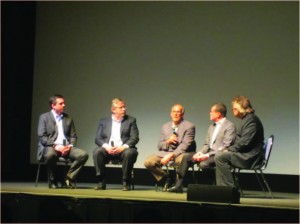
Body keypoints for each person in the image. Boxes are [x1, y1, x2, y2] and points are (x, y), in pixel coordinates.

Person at [167, 103, 236, 193]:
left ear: (218, 114)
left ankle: (218, 181)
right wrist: (200, 153)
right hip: (209, 153)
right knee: (187, 156)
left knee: (203, 164)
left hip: (219, 154)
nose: (209, 113)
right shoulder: (212, 126)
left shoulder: (230, 126)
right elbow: (207, 144)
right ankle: (178, 186)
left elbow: (226, 146)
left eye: (211, 112)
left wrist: (207, 155)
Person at [37, 94, 89, 189]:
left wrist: (69, 146)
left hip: (66, 147)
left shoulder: (68, 118)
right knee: (50, 155)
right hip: (51, 146)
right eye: (61, 103)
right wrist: (55, 146)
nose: (64, 105)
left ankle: (68, 178)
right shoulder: (44, 117)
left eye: (64, 103)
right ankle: (52, 181)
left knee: (83, 155)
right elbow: (42, 137)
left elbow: (73, 136)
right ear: (53, 105)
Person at [144, 104, 196, 191]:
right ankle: (167, 178)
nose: (175, 114)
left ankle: (177, 185)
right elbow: (160, 146)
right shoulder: (165, 126)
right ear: (170, 114)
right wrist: (168, 141)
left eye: (178, 112)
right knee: (148, 162)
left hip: (181, 153)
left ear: (182, 114)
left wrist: (171, 155)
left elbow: (185, 145)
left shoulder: (189, 126)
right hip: (165, 152)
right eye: (174, 112)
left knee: (182, 161)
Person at [215, 96, 264, 187]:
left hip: (250, 157)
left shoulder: (251, 120)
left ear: (241, 108)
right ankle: (222, 187)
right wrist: (227, 148)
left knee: (220, 157)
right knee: (220, 154)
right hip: (246, 153)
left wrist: (229, 149)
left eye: (234, 108)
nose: (232, 110)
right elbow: (240, 141)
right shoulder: (246, 119)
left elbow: (245, 143)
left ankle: (227, 188)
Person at [93, 98, 139, 191]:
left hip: (123, 150)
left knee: (129, 153)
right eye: (121, 107)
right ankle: (101, 181)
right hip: (108, 149)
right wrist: (107, 147)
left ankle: (126, 181)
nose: (124, 109)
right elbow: (98, 139)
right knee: (97, 151)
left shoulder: (131, 120)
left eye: (124, 107)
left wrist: (123, 147)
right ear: (113, 110)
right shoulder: (104, 121)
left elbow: (134, 138)